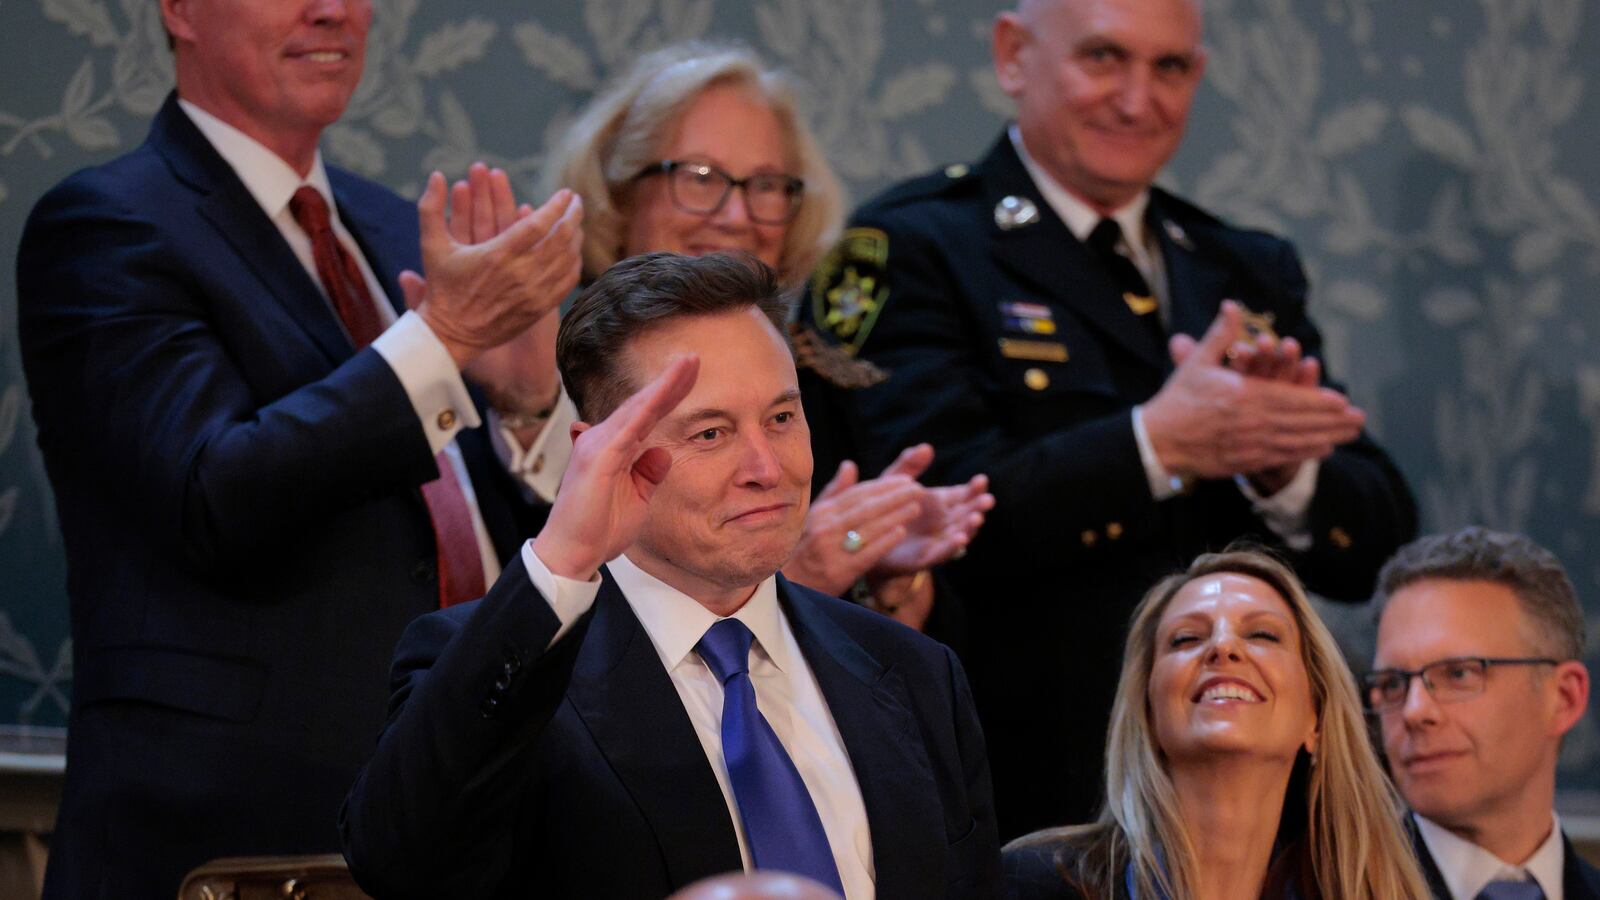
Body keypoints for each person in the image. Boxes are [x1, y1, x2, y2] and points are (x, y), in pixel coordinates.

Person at [800, 0, 1416, 836]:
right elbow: (930, 512)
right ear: (1014, 55)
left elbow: (1377, 542)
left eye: (1169, 68)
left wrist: (1279, 466)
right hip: (1021, 783)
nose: (1137, 100)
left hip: (1240, 799)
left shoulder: (1242, 267)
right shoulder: (911, 248)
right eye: (1103, 58)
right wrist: (1157, 445)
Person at [16, 1, 581, 895]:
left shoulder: (395, 231)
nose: (333, 10)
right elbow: (211, 494)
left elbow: (492, 548)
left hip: (469, 814)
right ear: (179, 10)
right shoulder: (106, 224)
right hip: (234, 836)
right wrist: (442, 340)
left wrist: (526, 406)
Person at [340, 252, 1001, 899]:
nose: (767, 468)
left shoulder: (916, 672)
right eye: (709, 433)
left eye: (781, 418)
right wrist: (562, 558)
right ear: (600, 454)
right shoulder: (496, 667)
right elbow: (399, 863)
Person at [539, 41, 993, 635]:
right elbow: (517, 639)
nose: (737, 216)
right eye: (700, 177)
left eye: (767, 184)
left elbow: (925, 664)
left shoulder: (835, 388)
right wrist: (801, 575)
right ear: (619, 194)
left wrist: (886, 580)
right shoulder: (543, 384)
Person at [1003, 549, 1429, 899]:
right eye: (1186, 638)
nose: (1223, 646)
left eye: (1262, 635)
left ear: (1314, 718)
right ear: (1148, 715)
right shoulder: (1030, 884)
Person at [1369, 527, 1600, 900]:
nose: (1414, 711)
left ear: (1564, 698)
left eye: (1459, 674)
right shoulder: (1326, 888)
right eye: (1394, 683)